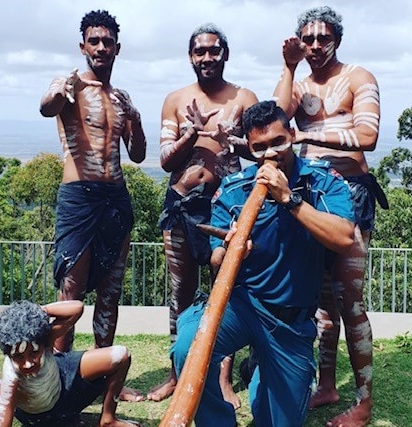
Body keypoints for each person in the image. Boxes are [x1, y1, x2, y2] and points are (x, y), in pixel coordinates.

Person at [171, 100, 355, 426]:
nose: (270, 154)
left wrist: (289, 199)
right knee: (187, 346)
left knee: (272, 419)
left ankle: (262, 373)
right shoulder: (235, 189)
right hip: (242, 306)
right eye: (259, 148)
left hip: (290, 321)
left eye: (277, 143)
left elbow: (343, 238)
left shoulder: (321, 182)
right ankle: (218, 421)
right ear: (250, 149)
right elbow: (215, 256)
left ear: (293, 136)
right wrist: (227, 252)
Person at [273, 6, 388, 427]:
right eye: (308, 40)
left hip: (352, 193)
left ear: (336, 39)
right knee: (322, 305)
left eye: (323, 39)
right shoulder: (299, 83)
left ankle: (364, 402)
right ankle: (326, 385)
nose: (316, 46)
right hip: (311, 196)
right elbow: (276, 120)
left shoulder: (359, 78)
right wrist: (288, 67)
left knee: (349, 301)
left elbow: (368, 135)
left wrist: (309, 134)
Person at [148, 23, 258, 406]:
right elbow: (164, 161)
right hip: (181, 208)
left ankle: (221, 377)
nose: (207, 57)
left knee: (222, 292)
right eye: (200, 52)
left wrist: (236, 141)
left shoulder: (243, 98)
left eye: (214, 51)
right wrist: (191, 135)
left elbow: (262, 150)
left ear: (225, 54)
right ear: (191, 56)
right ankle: (179, 374)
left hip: (226, 210)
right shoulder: (175, 100)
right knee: (179, 294)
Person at [39, 10, 146, 402]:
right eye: (94, 41)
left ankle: (105, 382)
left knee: (110, 292)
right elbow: (47, 107)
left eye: (107, 41)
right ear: (83, 45)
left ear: (117, 47)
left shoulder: (121, 98)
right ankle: (58, 381)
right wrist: (58, 91)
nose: (101, 47)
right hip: (79, 196)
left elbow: (137, 154)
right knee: (71, 294)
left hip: (116, 198)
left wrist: (137, 119)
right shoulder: (69, 84)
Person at [0, 300, 140, 427]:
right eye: (19, 358)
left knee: (120, 355)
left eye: (34, 353)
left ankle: (107, 419)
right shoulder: (12, 377)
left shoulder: (42, 337)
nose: (28, 363)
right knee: (1, 389)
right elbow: (4, 418)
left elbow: (76, 309)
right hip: (41, 412)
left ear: (42, 342)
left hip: (61, 378)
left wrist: (34, 315)